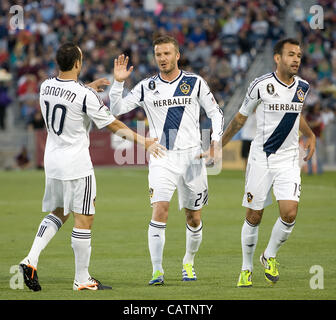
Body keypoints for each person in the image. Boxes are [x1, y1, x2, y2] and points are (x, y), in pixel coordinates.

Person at [19, 42, 164, 292]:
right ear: (78, 63)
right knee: (84, 218)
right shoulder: (85, 96)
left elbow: (66, 95)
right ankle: (82, 279)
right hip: (77, 165)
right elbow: (112, 125)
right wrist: (144, 141)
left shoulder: (45, 86)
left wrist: (89, 87)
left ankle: (30, 259)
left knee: (59, 212)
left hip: (52, 161)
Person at [109, 35, 224, 285]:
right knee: (160, 209)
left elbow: (215, 112)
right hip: (162, 156)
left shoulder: (195, 82)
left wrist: (215, 143)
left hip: (193, 157)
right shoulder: (146, 86)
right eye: (158, 54)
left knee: (194, 217)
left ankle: (188, 262)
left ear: (177, 55)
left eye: (167, 54)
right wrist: (118, 83)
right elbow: (116, 109)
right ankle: (157, 270)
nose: (162, 58)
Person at [219, 38, 316, 287]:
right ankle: (246, 268)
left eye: (299, 55)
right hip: (261, 158)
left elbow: (295, 114)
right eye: (291, 54)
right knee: (254, 215)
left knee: (290, 212)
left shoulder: (303, 86)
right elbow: (240, 119)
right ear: (277, 58)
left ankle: (269, 255)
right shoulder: (260, 85)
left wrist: (310, 133)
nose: (296, 59)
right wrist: (219, 144)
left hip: (288, 159)